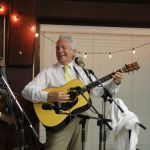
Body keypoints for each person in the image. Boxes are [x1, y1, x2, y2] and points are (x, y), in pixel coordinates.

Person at [22, 34, 123, 150]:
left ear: (74, 52)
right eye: (57, 48)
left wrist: (115, 82)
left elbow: (100, 91)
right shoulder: (48, 72)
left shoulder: (83, 72)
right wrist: (49, 96)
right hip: (58, 120)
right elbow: (26, 91)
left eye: (63, 47)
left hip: (81, 119)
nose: (60, 51)